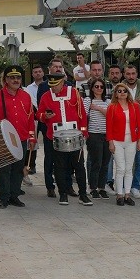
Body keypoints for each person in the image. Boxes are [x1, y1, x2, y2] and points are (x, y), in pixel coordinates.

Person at [0, 67, 36, 209]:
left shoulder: (26, 96)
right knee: (4, 169)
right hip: (3, 139)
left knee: (18, 169)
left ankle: (14, 196)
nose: (15, 80)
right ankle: (4, 197)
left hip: (22, 138)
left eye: (18, 77)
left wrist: (32, 138)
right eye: (12, 77)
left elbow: (31, 119)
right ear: (6, 79)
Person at [36, 68, 90, 205]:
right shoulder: (46, 96)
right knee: (59, 166)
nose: (53, 88)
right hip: (55, 136)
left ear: (62, 83)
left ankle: (83, 194)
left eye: (56, 85)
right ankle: (63, 194)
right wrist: (44, 116)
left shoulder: (74, 93)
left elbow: (82, 114)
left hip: (75, 135)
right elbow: (39, 115)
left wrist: (84, 132)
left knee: (79, 166)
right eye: (51, 85)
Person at [105, 82, 140, 206]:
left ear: (128, 93)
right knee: (120, 168)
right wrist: (110, 142)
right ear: (115, 94)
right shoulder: (112, 107)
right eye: (119, 91)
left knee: (128, 169)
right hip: (117, 141)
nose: (122, 93)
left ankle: (127, 194)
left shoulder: (135, 106)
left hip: (131, 141)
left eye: (124, 91)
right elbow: (109, 127)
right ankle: (119, 194)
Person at [84, 78, 113, 198]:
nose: (99, 89)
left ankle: (102, 187)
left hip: (107, 134)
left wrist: (98, 108)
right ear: (92, 88)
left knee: (105, 163)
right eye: (96, 86)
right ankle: (93, 187)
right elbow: (84, 115)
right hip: (94, 134)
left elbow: (110, 116)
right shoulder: (87, 100)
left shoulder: (108, 101)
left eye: (101, 87)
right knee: (96, 162)